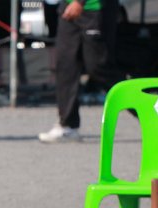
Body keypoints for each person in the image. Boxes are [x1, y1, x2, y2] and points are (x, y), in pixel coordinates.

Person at [38, 0, 124, 143]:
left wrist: (79, 2)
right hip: (68, 8)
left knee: (98, 68)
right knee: (65, 66)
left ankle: (148, 108)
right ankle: (67, 126)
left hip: (95, 8)